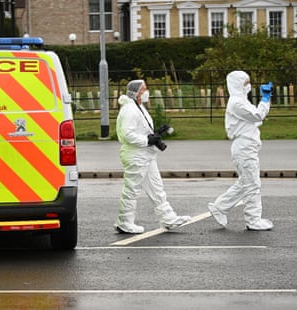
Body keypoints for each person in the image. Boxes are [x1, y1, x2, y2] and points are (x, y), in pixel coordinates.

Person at [115, 79, 191, 234]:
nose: (146, 92)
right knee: (132, 189)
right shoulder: (130, 109)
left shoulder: (138, 107)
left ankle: (168, 218)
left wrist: (154, 135)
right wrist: (146, 140)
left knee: (156, 188)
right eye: (144, 89)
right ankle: (124, 221)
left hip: (146, 154)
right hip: (136, 155)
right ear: (136, 92)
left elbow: (140, 129)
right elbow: (126, 134)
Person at [208, 70, 274, 231]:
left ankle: (220, 207)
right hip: (244, 147)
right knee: (252, 184)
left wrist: (264, 103)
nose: (248, 85)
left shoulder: (241, 101)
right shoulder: (237, 103)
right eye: (246, 82)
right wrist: (265, 99)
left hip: (247, 146)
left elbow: (255, 120)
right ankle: (253, 220)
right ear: (238, 84)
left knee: (245, 182)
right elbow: (258, 116)